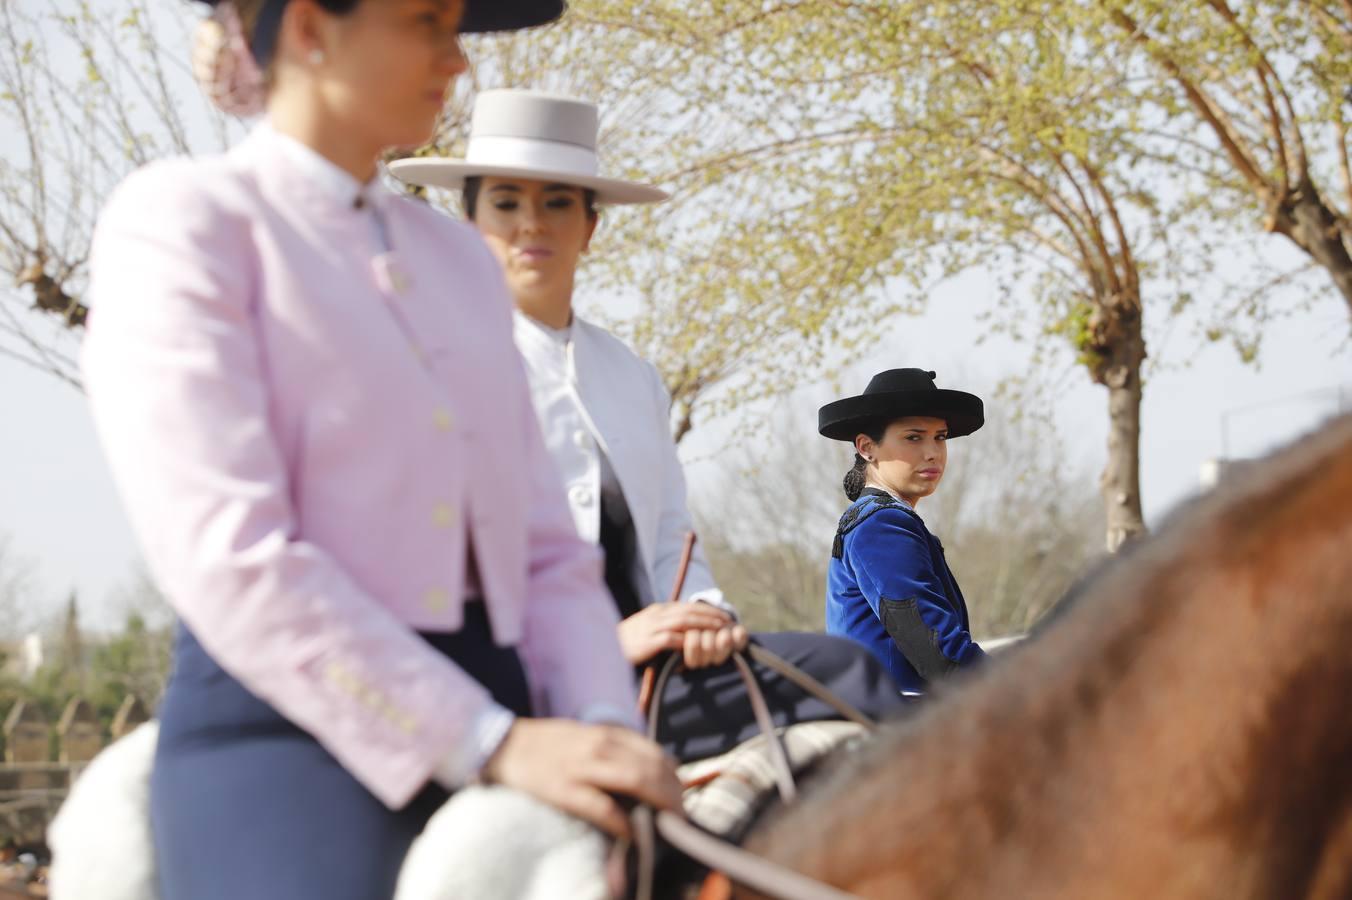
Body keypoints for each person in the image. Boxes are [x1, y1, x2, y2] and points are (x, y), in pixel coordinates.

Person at [81, 5, 680, 899]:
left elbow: (548, 553)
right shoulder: (186, 223)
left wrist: (601, 723)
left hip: (520, 711)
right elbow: (232, 558)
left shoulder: (460, 262)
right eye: (427, 22)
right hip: (291, 736)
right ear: (315, 29)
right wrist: (491, 742)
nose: (457, 61)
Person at [390, 90, 909, 762]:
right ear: (470, 223)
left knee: (850, 670)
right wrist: (606, 644)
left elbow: (670, 533)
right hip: (524, 692)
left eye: (555, 203)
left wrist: (706, 618)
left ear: (590, 226)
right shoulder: (432, 370)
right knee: (849, 678)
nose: (531, 225)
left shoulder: (631, 376)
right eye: (506, 204)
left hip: (661, 672)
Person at [817, 368, 988, 693]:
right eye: (914, 437)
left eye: (940, 437)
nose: (932, 452)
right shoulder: (883, 524)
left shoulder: (876, 517)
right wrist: (1024, 686)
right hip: (900, 718)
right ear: (867, 447)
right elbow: (937, 649)